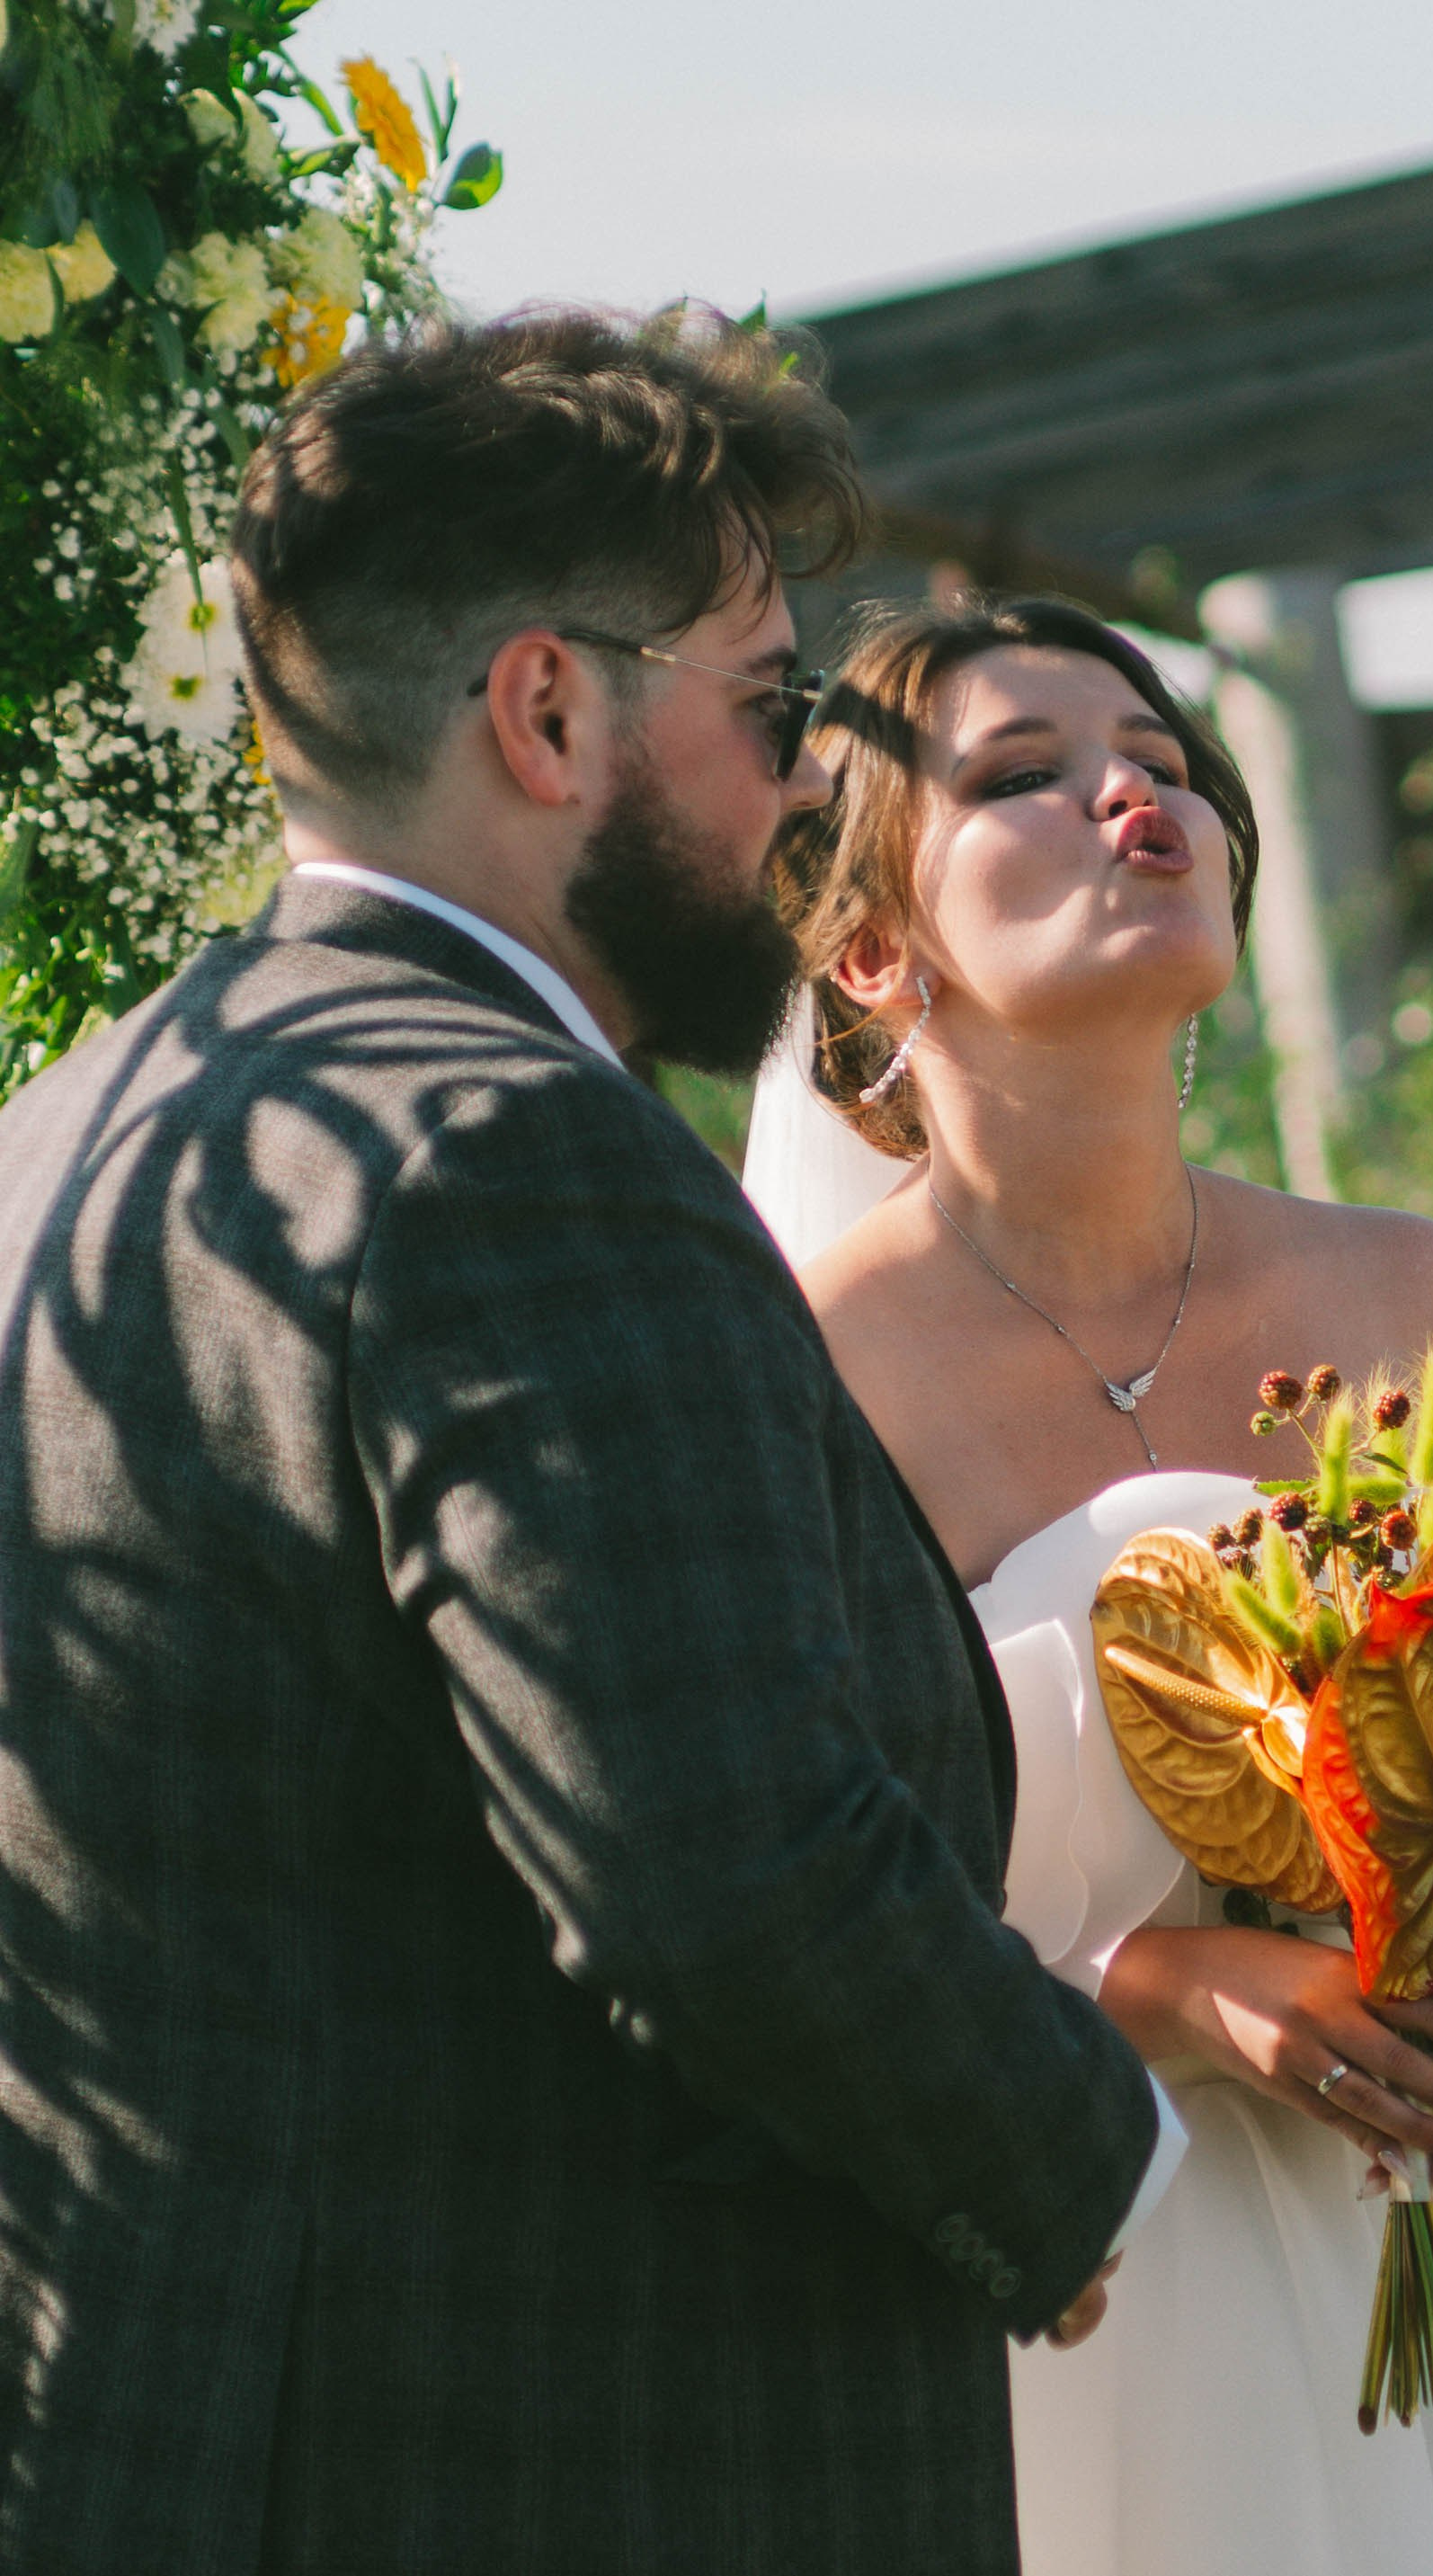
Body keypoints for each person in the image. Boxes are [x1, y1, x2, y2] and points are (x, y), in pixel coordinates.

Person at [0, 315, 1173, 2576]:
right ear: (549, 713)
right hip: (545, 2461)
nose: (810, 792)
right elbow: (717, 1850)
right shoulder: (516, 1155)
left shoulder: (80, 1127)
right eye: (767, 708)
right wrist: (1069, 2158)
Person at [744, 593, 1433, 2576]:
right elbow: (775, 1903)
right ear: (878, 949)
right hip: (1081, 2286)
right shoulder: (791, 1368)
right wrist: (1157, 1983)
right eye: (1022, 776)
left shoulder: (1413, 1296)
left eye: (1159, 759)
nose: (1128, 793)